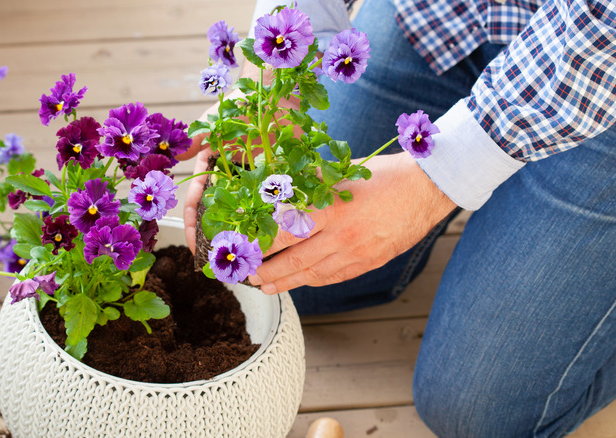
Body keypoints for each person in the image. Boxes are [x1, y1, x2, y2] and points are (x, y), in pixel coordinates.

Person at [178, 0, 616, 436]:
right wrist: (270, 82)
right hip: (448, 14)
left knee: (478, 417)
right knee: (296, 270)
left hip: (597, 69)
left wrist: (433, 183)